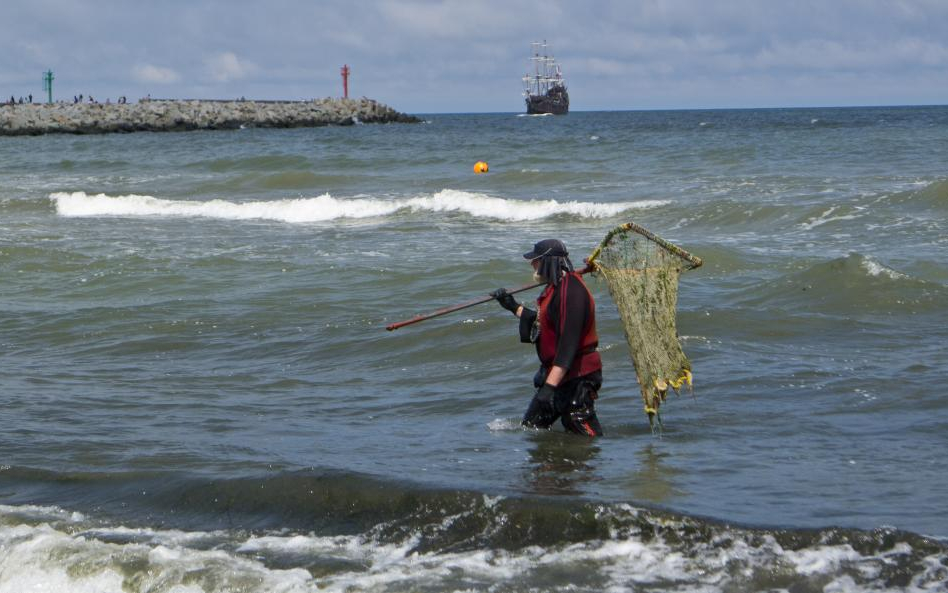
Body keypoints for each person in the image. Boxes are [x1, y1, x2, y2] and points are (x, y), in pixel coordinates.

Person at [492, 239, 604, 437]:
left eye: (535, 260)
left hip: (577, 377)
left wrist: (549, 387)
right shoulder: (556, 287)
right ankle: (554, 465)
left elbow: (568, 347)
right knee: (532, 426)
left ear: (547, 261)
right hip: (557, 374)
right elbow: (544, 323)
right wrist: (511, 306)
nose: (531, 264)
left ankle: (596, 464)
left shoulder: (572, 291)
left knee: (584, 434)